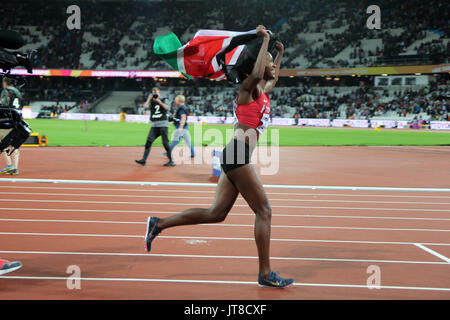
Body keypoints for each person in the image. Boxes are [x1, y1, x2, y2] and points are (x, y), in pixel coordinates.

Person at [144, 25, 294, 288]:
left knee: (216, 213)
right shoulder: (248, 88)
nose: (270, 66)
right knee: (265, 212)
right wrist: (265, 42)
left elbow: (273, 77)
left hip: (234, 155)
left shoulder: (262, 92)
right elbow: (259, 72)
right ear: (255, 66)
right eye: (267, 61)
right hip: (238, 154)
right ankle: (265, 273)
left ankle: (159, 224)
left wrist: (278, 54)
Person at [135, 87, 175, 167]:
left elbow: (167, 108)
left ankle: (171, 161)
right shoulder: (152, 101)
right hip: (154, 124)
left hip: (163, 124)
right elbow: (145, 107)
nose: (155, 94)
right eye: (153, 92)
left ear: (159, 93)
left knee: (165, 143)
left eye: (156, 92)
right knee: (149, 141)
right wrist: (149, 99)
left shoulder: (164, 99)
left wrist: (159, 101)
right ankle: (144, 160)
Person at [0, 77, 23, 175]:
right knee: (15, 144)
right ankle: (15, 168)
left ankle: (9, 165)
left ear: (5, 83)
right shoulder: (18, 93)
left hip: (8, 120)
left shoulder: (6, 91)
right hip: (18, 120)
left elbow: (2, 104)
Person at [163, 95, 195, 159]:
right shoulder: (183, 107)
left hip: (181, 128)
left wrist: (180, 127)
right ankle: (193, 154)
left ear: (179, 100)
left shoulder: (181, 108)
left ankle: (168, 153)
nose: (175, 100)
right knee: (188, 141)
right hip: (184, 128)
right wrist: (173, 122)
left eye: (176, 99)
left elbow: (183, 117)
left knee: (175, 140)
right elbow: (180, 118)